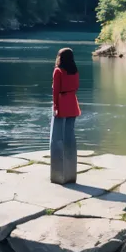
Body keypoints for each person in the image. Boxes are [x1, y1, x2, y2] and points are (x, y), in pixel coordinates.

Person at [50, 48, 81, 185]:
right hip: (72, 103)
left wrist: (55, 107)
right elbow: (77, 86)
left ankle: (58, 174)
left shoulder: (58, 71)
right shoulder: (75, 70)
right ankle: (70, 173)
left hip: (62, 103)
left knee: (57, 137)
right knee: (69, 136)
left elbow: (55, 91)